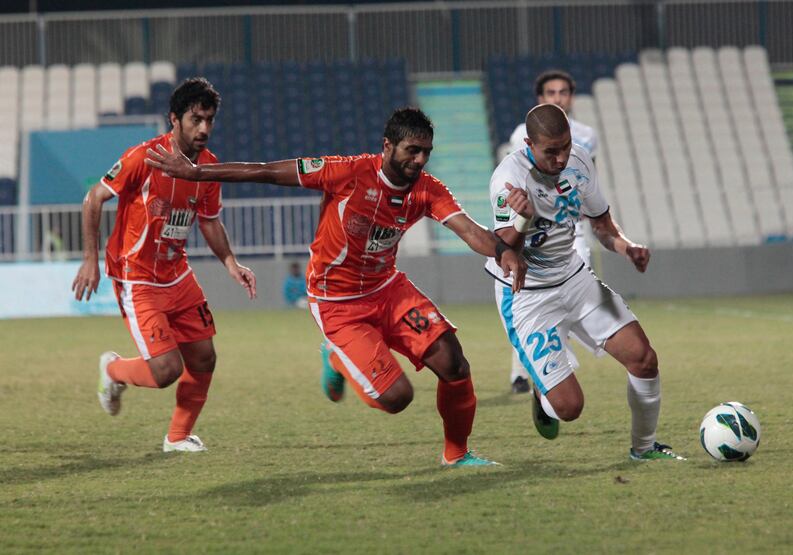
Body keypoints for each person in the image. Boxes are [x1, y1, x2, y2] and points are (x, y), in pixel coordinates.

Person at [145, 107, 527, 467]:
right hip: (337, 302)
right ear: (387, 146)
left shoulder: (428, 188)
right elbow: (263, 171)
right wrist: (197, 173)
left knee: (453, 362)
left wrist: (500, 251)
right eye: (412, 151)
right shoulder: (346, 172)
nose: (420, 160)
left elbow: (469, 230)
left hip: (387, 288)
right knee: (397, 398)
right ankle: (336, 358)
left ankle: (456, 456)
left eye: (426, 152)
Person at [487, 103, 683, 460]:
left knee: (644, 358)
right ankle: (542, 390)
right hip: (528, 296)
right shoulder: (508, 179)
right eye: (552, 151)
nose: (561, 158)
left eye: (565, 145)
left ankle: (644, 448)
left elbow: (602, 224)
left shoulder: (579, 161)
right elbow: (502, 248)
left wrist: (627, 247)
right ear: (528, 143)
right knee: (569, 407)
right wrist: (522, 220)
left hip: (575, 279)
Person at [71, 77, 257, 453]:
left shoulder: (208, 167)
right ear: (175, 119)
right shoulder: (144, 157)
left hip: (177, 273)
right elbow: (94, 198)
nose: (204, 128)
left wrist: (230, 262)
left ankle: (177, 438)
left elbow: (208, 220)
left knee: (204, 357)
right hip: (136, 277)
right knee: (167, 370)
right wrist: (90, 260)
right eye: (195, 119)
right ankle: (113, 370)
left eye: (209, 120)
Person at [506, 69, 598, 394]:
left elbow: (587, 178)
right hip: (537, 231)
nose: (558, 98)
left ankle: (550, 368)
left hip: (573, 229)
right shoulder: (522, 134)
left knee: (571, 294)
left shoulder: (587, 135)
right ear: (540, 99)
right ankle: (524, 371)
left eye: (563, 92)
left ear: (571, 96)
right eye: (551, 93)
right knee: (529, 299)